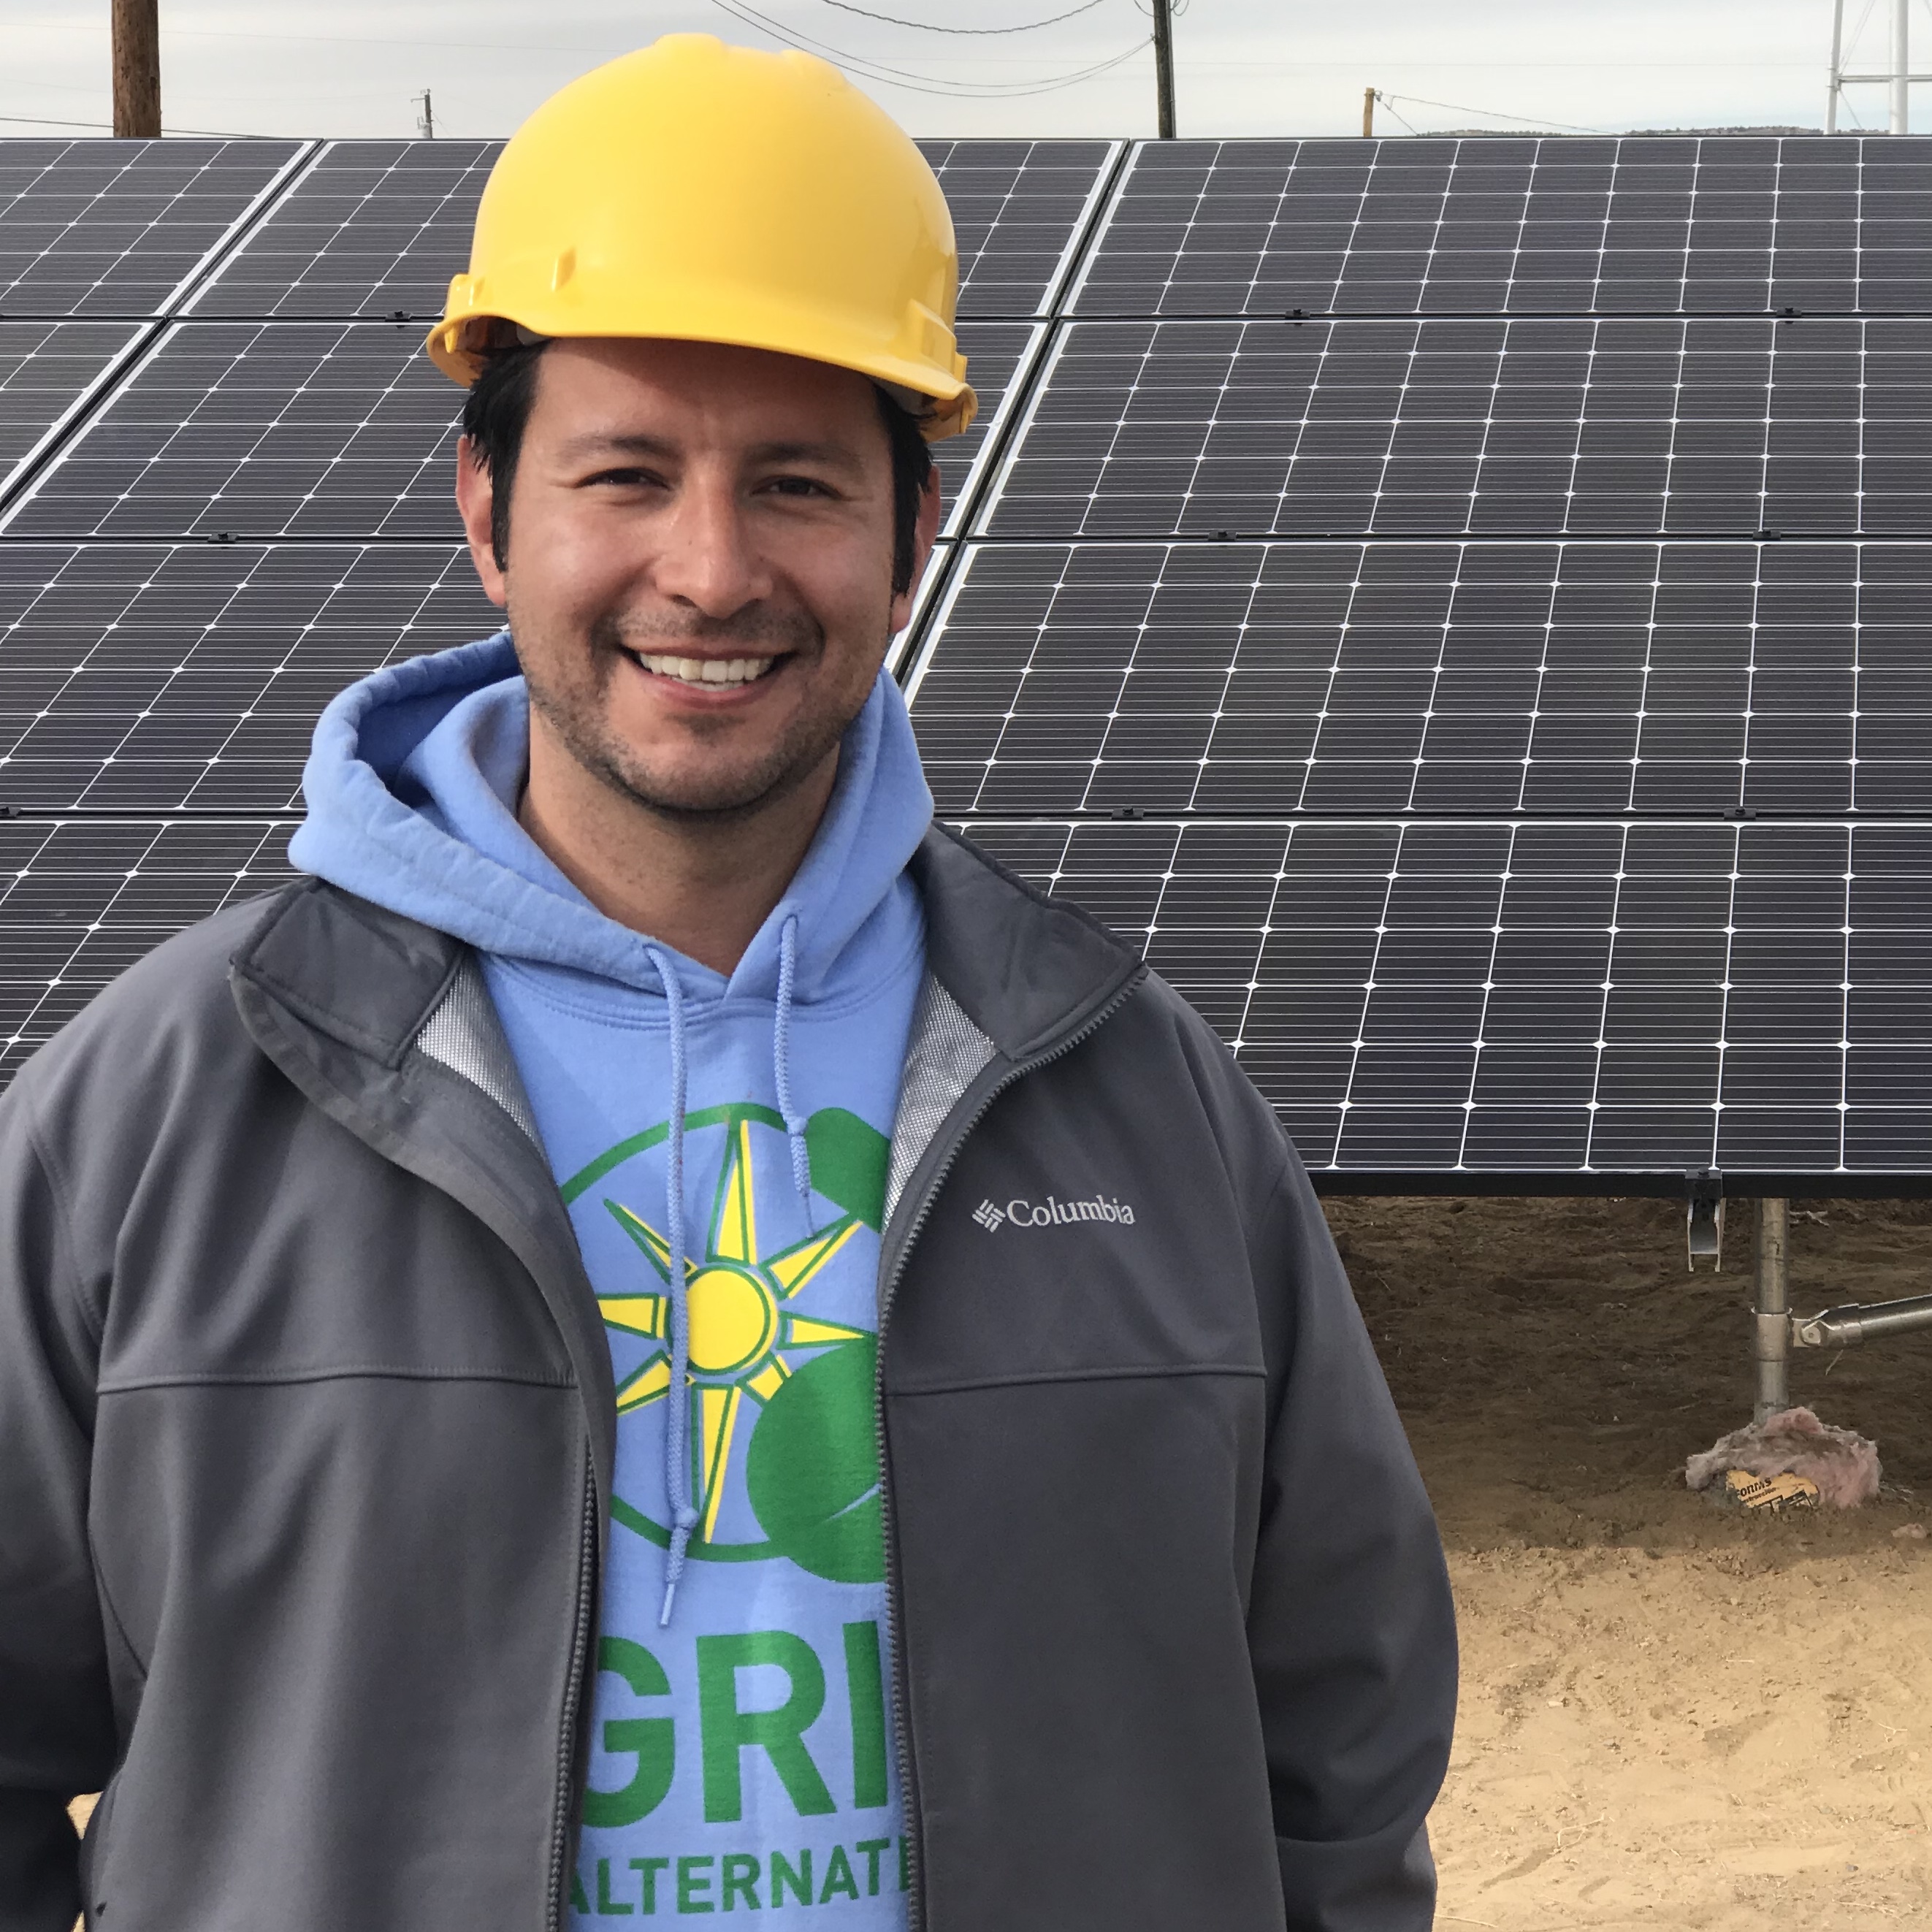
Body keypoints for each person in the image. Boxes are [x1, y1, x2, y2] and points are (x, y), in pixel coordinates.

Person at [0, 37, 1455, 1932]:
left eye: (795, 484)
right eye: (625, 473)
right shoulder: (157, 1110)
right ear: (484, 507)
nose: (710, 568)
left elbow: (1338, 1738)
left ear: (912, 536)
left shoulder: (1134, 1094)